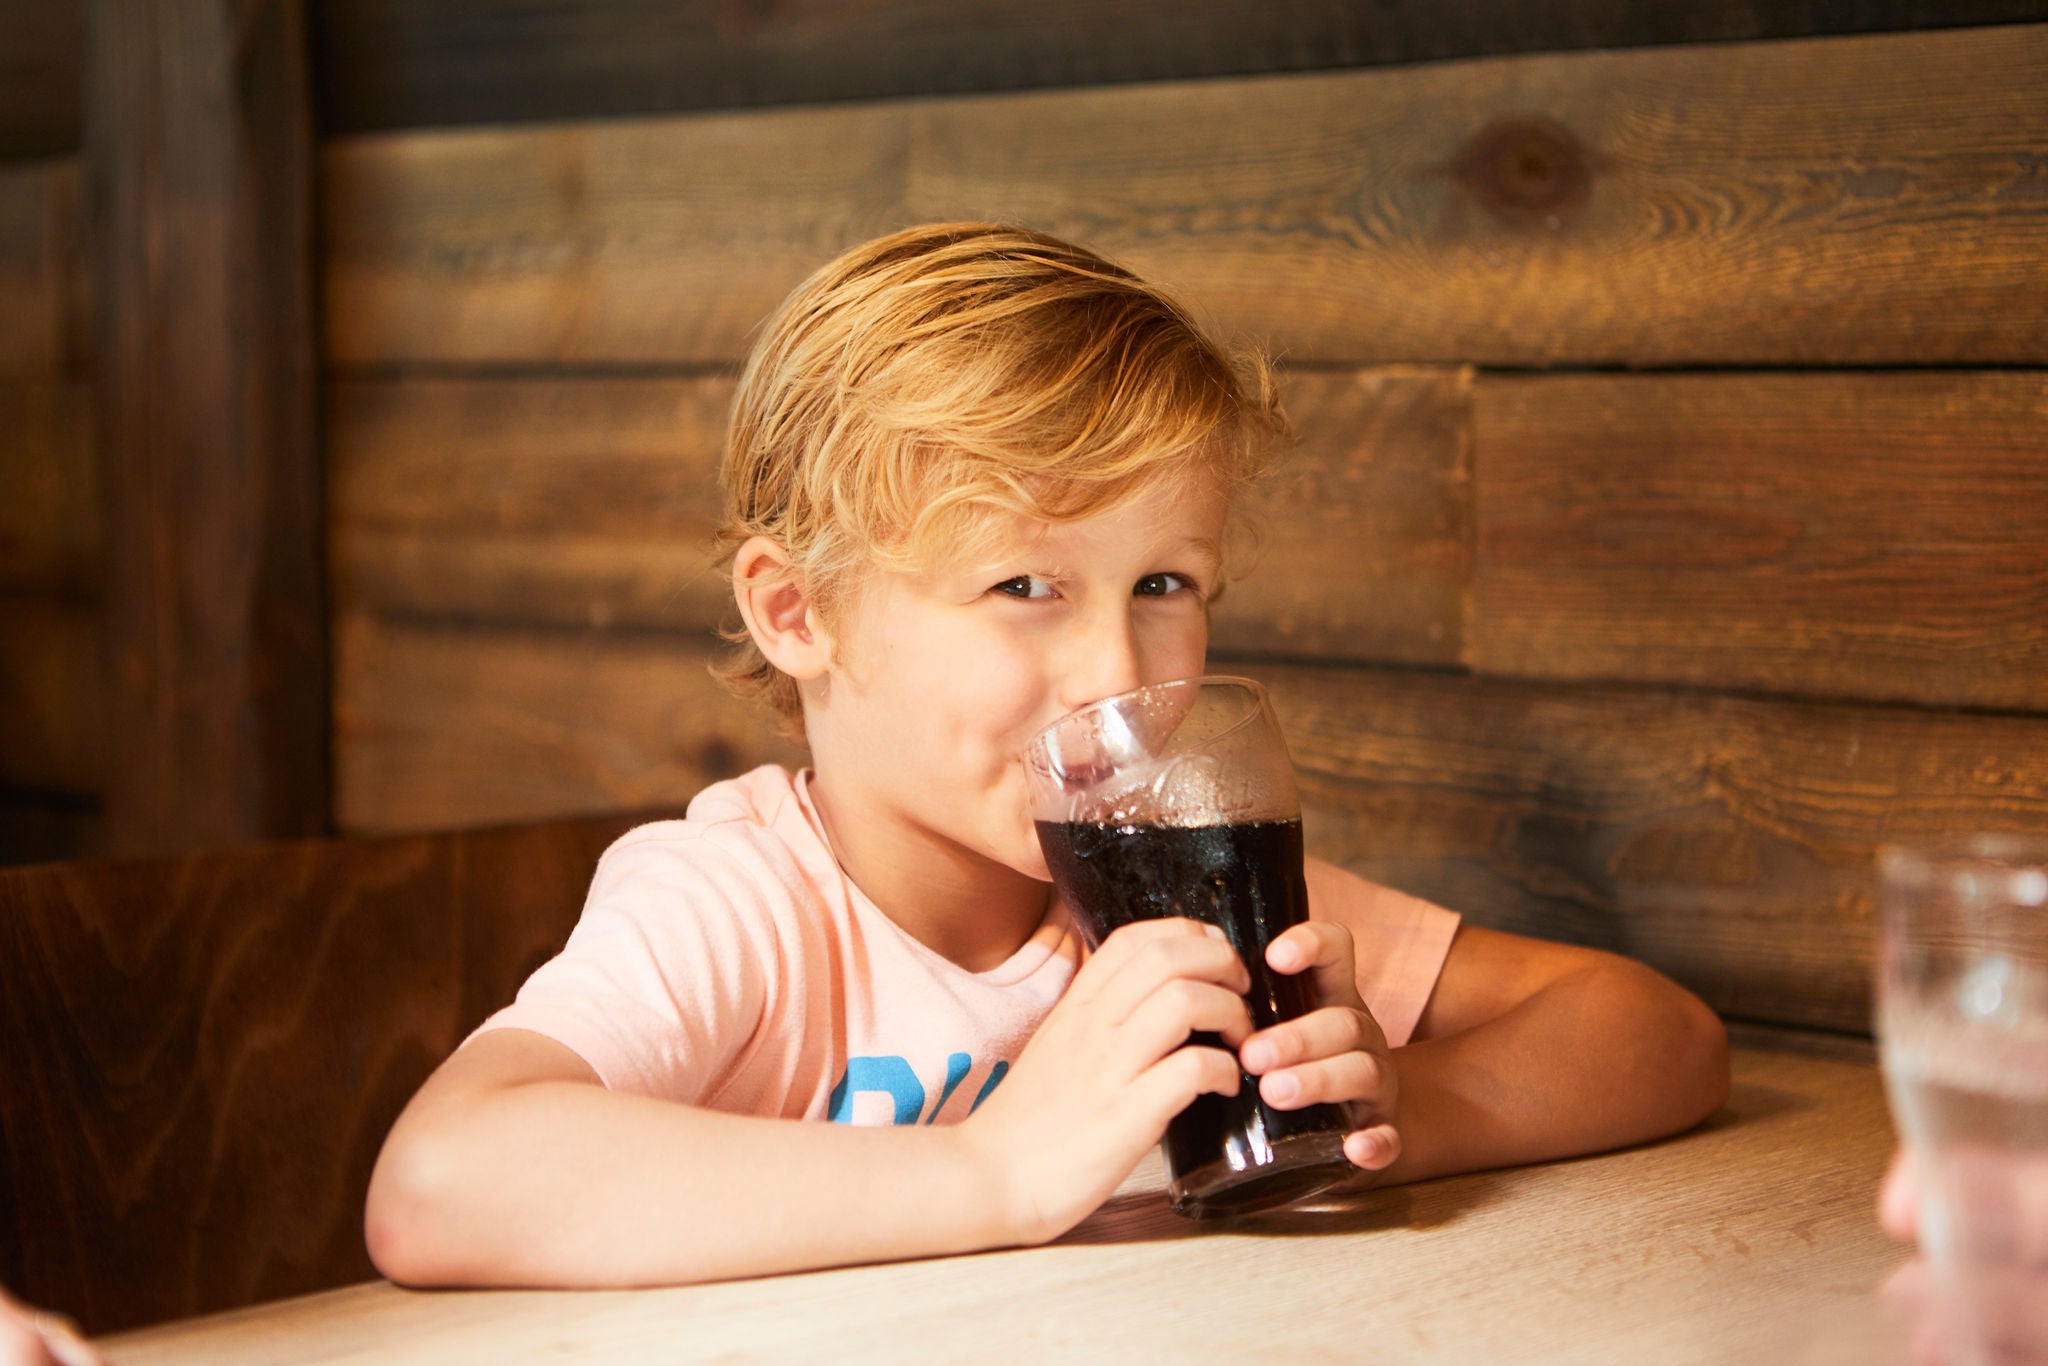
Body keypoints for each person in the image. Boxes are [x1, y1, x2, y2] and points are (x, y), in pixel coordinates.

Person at [364, 222, 1730, 1287]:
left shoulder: (1170, 892)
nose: (1120, 681)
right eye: (1025, 587)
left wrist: (1393, 1106)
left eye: (1164, 584)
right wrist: (992, 1171)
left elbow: (1658, 1035)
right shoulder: (740, 904)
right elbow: (438, 1179)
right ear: (801, 613)